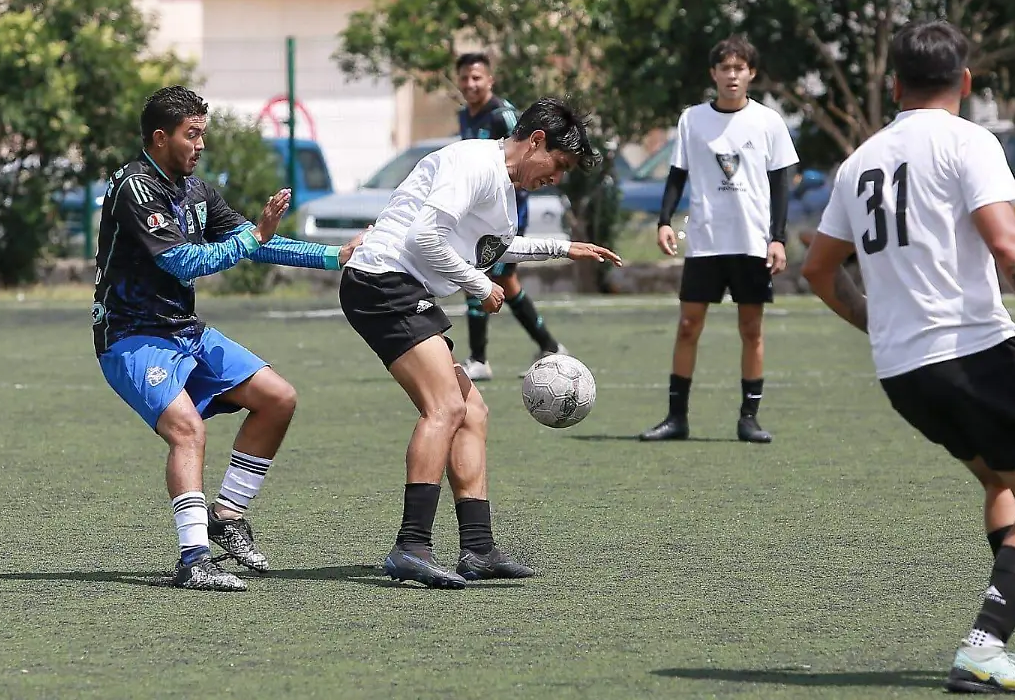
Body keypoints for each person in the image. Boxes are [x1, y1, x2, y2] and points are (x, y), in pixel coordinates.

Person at [801, 20, 1015, 693]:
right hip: (976, 353)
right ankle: (983, 644)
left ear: (893, 85)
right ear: (965, 82)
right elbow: (1010, 244)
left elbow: (819, 270)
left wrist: (873, 321)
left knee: (1003, 484)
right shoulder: (970, 141)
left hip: (904, 371)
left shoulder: (860, 163)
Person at [93, 85, 366, 592]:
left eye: (202, 135)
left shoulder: (196, 190)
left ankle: (226, 514)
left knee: (278, 398)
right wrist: (252, 237)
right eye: (191, 135)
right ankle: (194, 558)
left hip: (183, 330)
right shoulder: (136, 188)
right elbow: (183, 261)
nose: (200, 145)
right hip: (131, 336)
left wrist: (333, 257)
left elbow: (256, 241)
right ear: (159, 138)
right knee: (187, 429)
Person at [341, 96, 621, 589]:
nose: (556, 177)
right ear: (536, 141)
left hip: (398, 286)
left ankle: (477, 548)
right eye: (557, 164)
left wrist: (563, 247)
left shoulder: (501, 184)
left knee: (472, 412)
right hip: (381, 280)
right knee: (445, 408)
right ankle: (411, 546)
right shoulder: (474, 162)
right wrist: (478, 284)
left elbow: (489, 247)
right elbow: (422, 238)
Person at [639, 34, 799, 443]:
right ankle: (677, 418)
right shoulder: (692, 119)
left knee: (751, 330)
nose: (732, 75)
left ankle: (749, 418)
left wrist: (777, 238)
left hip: (751, 242)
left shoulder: (768, 121)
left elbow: (780, 184)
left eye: (739, 68)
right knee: (689, 325)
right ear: (714, 74)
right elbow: (678, 173)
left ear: (751, 74)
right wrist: (663, 220)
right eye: (725, 68)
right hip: (707, 241)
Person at [453, 52, 568, 381]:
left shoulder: (503, 116)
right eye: (464, 78)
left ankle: (478, 359)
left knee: (478, 275)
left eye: (477, 77)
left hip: (505, 213)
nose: (470, 84)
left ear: (490, 80)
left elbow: (522, 162)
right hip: (479, 212)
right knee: (506, 282)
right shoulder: (466, 116)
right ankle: (550, 346)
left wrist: (506, 215)